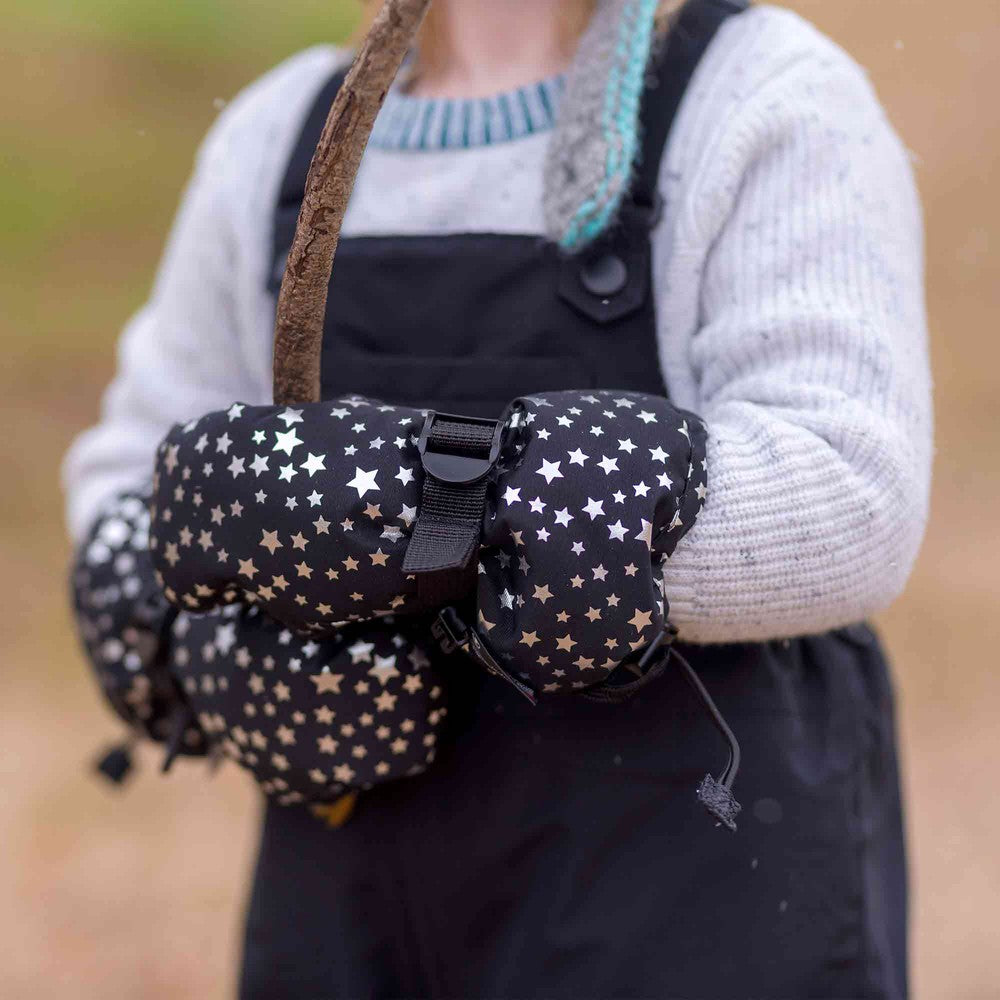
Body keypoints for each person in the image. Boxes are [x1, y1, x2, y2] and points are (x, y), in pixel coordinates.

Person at [63, 0, 931, 996]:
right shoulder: (277, 138)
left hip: (701, 890)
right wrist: (210, 653)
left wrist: (456, 506)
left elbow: (852, 491)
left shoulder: (762, 96)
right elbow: (137, 468)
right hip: (354, 924)